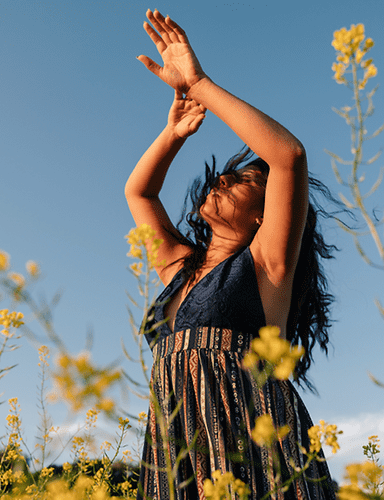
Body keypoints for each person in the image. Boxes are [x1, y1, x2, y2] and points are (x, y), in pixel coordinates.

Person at [126, 9, 338, 500]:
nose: (221, 178)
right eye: (225, 174)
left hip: (252, 443)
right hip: (179, 444)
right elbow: (140, 193)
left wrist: (198, 84)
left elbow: (288, 156)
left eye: (242, 180)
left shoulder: (266, 265)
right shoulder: (179, 268)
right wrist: (172, 134)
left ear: (266, 215)